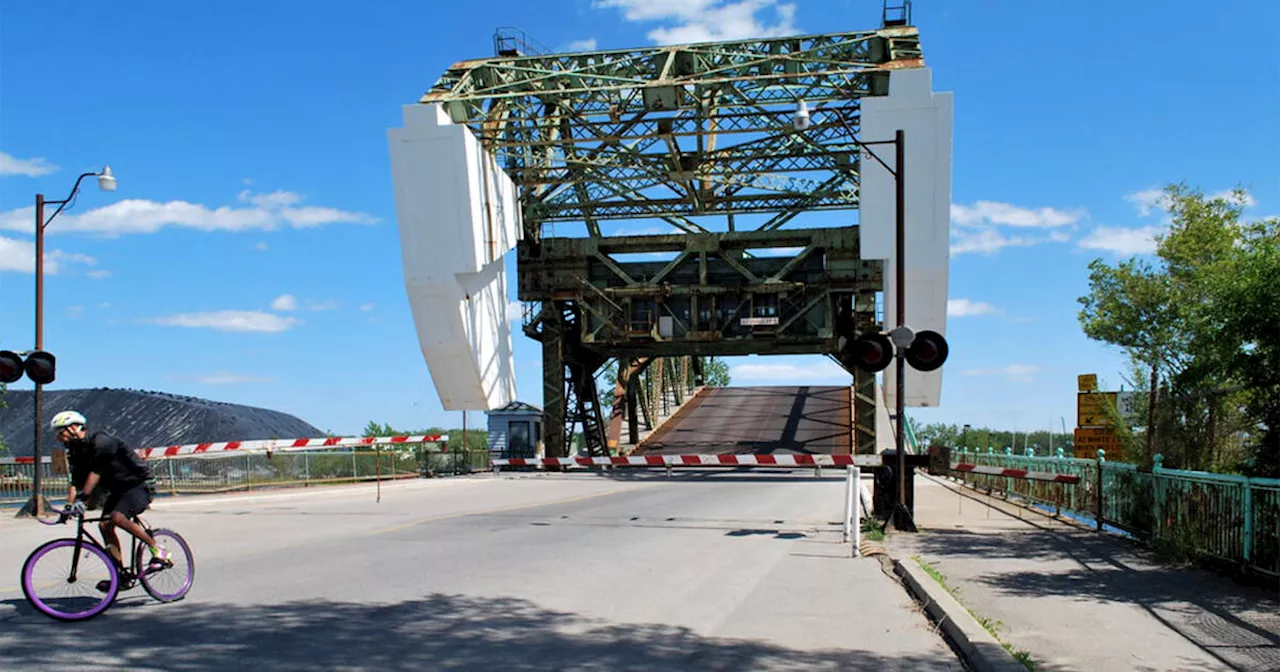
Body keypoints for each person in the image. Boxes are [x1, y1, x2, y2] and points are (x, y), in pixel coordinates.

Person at [51, 410, 171, 569]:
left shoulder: (102, 441)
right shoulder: (74, 450)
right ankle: (120, 575)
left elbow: (97, 471)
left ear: (74, 427)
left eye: (61, 431)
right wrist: (68, 506)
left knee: (117, 517)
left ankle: (158, 550)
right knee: (105, 526)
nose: (58, 437)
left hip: (138, 484)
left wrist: (83, 498)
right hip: (116, 489)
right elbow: (76, 480)